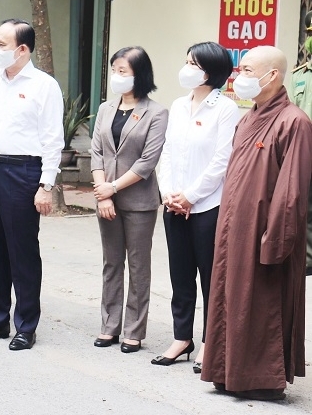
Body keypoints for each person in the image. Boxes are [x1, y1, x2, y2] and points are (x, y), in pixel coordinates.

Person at [201, 45, 312, 401]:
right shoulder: (249, 117)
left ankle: (262, 380)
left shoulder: (294, 121)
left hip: (265, 230)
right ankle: (227, 372)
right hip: (234, 226)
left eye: (247, 71)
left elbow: (292, 190)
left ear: (273, 76)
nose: (239, 77)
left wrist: (276, 239)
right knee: (229, 298)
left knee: (262, 302)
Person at [0, 19, 64, 351]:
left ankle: (26, 325)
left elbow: (53, 140)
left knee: (22, 252)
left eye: (2, 45)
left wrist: (46, 185)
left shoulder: (43, 85)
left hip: (23, 173)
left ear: (23, 49)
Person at [154, 42, 238, 370]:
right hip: (174, 204)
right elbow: (169, 153)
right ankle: (181, 337)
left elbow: (221, 161)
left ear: (211, 71)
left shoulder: (225, 108)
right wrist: (169, 194)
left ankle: (210, 343)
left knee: (210, 278)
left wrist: (191, 196)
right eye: (186, 61)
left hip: (207, 206)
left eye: (194, 63)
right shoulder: (178, 105)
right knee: (181, 274)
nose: (186, 68)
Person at [90, 46, 168, 353]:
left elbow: (147, 162)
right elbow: (96, 152)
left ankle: (134, 331)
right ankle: (109, 326)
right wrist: (102, 193)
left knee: (138, 266)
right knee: (111, 264)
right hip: (106, 199)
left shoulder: (156, 112)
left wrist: (113, 188)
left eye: (123, 71)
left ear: (140, 75)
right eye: (114, 70)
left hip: (139, 202)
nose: (116, 77)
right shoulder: (106, 109)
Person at [285, 11, 312, 277]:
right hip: (305, 152)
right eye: (310, 35)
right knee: (303, 206)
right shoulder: (299, 75)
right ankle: (306, 259)